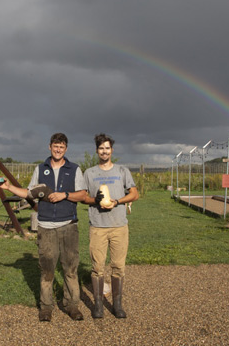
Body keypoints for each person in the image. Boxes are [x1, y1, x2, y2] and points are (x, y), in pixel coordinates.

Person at [0, 133, 86, 322]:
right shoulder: (40, 169)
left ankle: (72, 306)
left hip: (69, 225)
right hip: (45, 227)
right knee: (47, 270)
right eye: (55, 146)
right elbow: (29, 193)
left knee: (70, 268)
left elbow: (83, 195)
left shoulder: (75, 169)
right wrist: (9, 187)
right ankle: (46, 307)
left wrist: (64, 195)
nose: (58, 149)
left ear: (66, 149)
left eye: (62, 146)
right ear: (50, 147)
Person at [83, 133, 139, 319]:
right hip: (98, 226)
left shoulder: (122, 171)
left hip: (118, 226)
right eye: (101, 148)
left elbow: (134, 194)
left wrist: (117, 201)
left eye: (107, 148)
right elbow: (83, 197)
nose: (104, 151)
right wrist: (94, 200)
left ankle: (117, 305)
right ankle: (98, 305)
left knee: (118, 266)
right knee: (97, 267)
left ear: (111, 150)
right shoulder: (90, 173)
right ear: (97, 151)